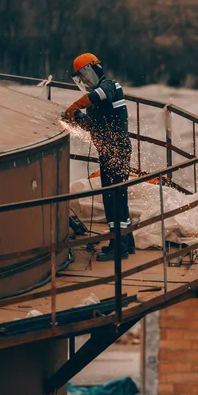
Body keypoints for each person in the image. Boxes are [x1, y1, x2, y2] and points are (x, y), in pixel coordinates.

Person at [63, 53, 135, 261]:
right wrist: (77, 118)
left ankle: (119, 248)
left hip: (117, 152)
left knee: (115, 198)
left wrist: (75, 107)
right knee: (114, 197)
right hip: (109, 152)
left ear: (93, 69)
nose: (84, 81)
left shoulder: (110, 86)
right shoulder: (97, 99)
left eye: (84, 76)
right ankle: (124, 242)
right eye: (81, 79)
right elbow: (95, 126)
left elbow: (97, 96)